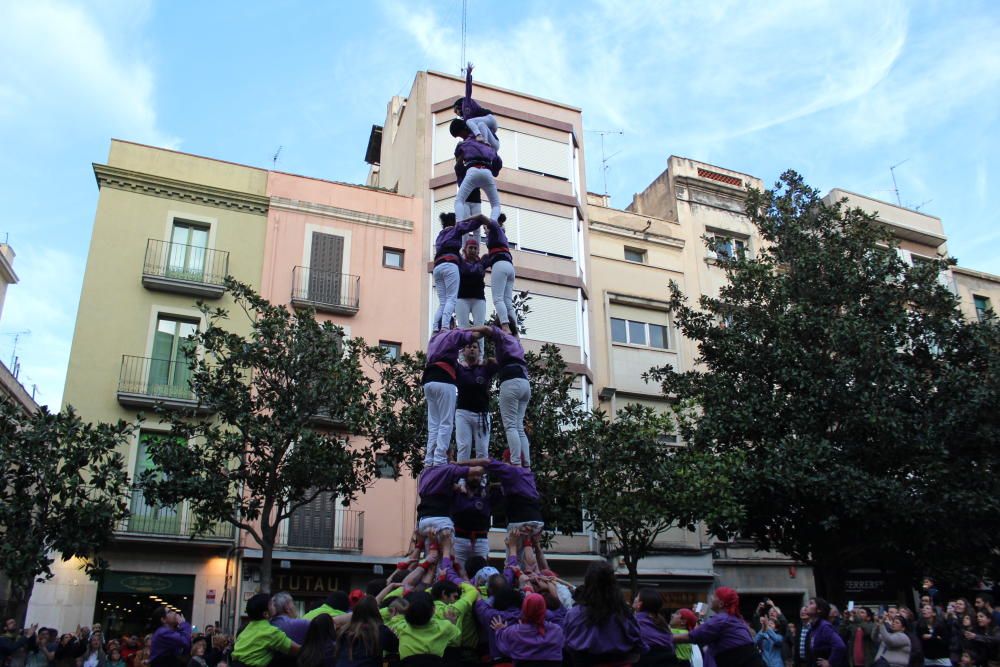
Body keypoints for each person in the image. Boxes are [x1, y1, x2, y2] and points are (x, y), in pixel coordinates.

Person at [422, 326, 489, 468]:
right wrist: (488, 330)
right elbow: (474, 335)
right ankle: (439, 460)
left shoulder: (433, 339)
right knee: (445, 423)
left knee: (433, 425)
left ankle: (429, 461)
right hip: (444, 379)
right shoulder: (453, 335)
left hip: (428, 380)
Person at [564, 561, 646, 664]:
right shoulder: (624, 614)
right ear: (613, 582)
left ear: (587, 581)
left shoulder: (574, 614)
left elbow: (567, 646)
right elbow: (638, 646)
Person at [674, 588, 763, 667]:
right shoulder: (734, 619)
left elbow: (693, 636)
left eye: (714, 596)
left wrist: (665, 637)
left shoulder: (721, 619)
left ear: (721, 604)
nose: (711, 598)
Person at [432, 212, 488, 334]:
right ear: (453, 222)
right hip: (449, 265)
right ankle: (445, 327)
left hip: (437, 267)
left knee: (442, 302)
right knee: (451, 299)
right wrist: (480, 220)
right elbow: (470, 226)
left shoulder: (439, 237)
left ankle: (435, 327)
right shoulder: (455, 229)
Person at [488, 326, 532, 467]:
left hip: (511, 382)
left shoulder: (503, 338)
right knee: (519, 426)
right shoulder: (516, 342)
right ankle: (526, 464)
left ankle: (516, 462)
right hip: (525, 383)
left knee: (511, 426)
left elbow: (488, 331)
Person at [379, 591, 460, 662]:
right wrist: (452, 623)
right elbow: (457, 640)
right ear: (433, 610)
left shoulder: (399, 625)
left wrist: (392, 610)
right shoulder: (446, 627)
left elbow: (378, 613)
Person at [490, 593, 564, 666]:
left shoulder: (513, 632)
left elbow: (504, 648)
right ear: (544, 609)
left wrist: (499, 630)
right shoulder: (557, 630)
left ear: (524, 609)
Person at [454, 342, 498, 462]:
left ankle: (482, 480)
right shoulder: (459, 368)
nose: (472, 349)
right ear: (463, 351)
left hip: (482, 414)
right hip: (463, 413)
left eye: (474, 347)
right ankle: (461, 479)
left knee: (482, 449)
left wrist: (487, 360)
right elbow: (450, 356)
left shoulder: (485, 368)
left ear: (479, 351)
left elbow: (500, 362)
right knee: (464, 447)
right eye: (468, 347)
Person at [231, 594, 300, 667]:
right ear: (266, 614)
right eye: (271, 604)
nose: (275, 606)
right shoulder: (271, 632)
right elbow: (297, 650)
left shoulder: (246, 628)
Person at [451, 121, 501, 223]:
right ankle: (493, 225)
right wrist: (494, 171)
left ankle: (459, 224)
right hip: (487, 172)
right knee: (496, 205)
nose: (460, 137)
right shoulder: (488, 145)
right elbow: (498, 163)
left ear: (464, 129)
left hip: (472, 170)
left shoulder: (464, 144)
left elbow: (458, 163)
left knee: (459, 201)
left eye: (459, 134)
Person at [486, 459, 544, 542]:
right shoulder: (527, 475)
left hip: (520, 519)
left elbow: (492, 464)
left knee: (514, 547)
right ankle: (533, 546)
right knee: (529, 545)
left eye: (504, 460)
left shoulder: (513, 472)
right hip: (536, 519)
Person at [333, 596, 394, 667]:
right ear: (376, 611)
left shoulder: (344, 630)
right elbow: (395, 647)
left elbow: (331, 620)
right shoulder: (381, 630)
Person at [482, 215, 518, 335]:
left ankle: (505, 326)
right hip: (509, 266)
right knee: (507, 301)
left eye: (485, 228)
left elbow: (488, 222)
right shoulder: (502, 236)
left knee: (498, 299)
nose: (484, 231)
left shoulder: (496, 230)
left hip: (500, 265)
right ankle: (515, 331)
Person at [454, 63, 500, 151]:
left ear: (459, 107)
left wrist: (468, 74)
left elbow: (468, 89)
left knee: (470, 122)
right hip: (494, 143)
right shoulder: (469, 119)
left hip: (490, 119)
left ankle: (479, 136)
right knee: (480, 125)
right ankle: (485, 144)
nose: (458, 114)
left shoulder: (466, 103)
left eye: (456, 111)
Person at [455, 239, 489, 345]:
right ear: (465, 249)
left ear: (478, 250)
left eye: (475, 248)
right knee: (462, 328)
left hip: (478, 299)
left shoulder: (483, 261)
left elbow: (492, 254)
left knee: (480, 328)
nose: (473, 250)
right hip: (462, 298)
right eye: (470, 248)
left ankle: (480, 357)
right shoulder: (460, 261)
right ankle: (462, 358)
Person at [632, 588, 676, 667]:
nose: (635, 598)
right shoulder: (661, 622)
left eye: (637, 597)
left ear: (640, 604)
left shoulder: (635, 621)